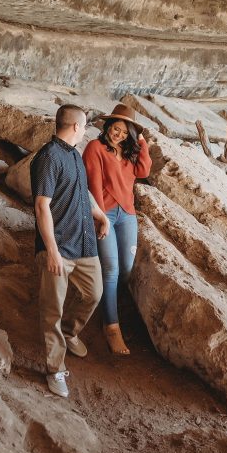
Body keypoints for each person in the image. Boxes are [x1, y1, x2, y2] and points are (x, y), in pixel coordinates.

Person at [31, 104, 110, 398]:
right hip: (60, 246)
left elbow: (81, 190)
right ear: (76, 126)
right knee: (52, 309)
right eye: (85, 126)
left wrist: (98, 213)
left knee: (94, 293)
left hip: (84, 243)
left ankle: (70, 332)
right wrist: (50, 251)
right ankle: (54, 368)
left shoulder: (74, 155)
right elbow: (42, 205)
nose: (86, 130)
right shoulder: (49, 157)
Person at [83, 104, 152, 356]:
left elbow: (144, 170)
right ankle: (111, 326)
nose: (118, 134)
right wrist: (100, 218)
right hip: (106, 214)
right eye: (116, 129)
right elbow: (93, 184)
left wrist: (141, 139)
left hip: (128, 215)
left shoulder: (130, 151)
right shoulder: (95, 148)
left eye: (125, 132)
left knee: (126, 268)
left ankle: (106, 300)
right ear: (108, 126)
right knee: (110, 269)